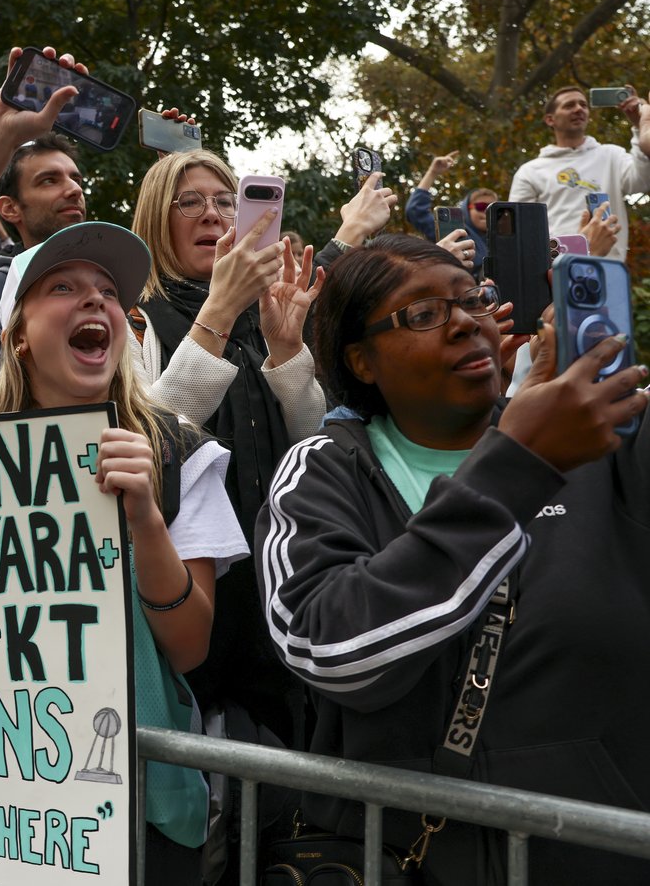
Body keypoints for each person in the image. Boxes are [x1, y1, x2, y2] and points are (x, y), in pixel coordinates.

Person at [0, 45, 249, 885]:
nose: (94, 299)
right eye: (62, 287)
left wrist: (145, 520)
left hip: (138, 810)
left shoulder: (177, 451)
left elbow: (190, 647)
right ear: (16, 328)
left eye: (107, 291)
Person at [258, 233, 650, 884]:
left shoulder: (613, 445)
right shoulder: (323, 473)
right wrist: (517, 468)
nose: (467, 320)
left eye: (473, 298)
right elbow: (332, 650)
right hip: (403, 859)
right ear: (360, 360)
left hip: (598, 854)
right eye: (423, 312)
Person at [127, 149, 325, 799]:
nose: (212, 214)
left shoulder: (260, 323)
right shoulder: (134, 320)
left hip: (271, 617)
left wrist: (289, 351)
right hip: (189, 613)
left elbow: (313, 452)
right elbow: (146, 445)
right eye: (191, 202)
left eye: (225, 200)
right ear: (158, 219)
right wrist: (214, 318)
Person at [0, 133, 86, 379]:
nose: (75, 189)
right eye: (49, 180)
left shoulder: (114, 280)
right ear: (10, 208)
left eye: (76, 179)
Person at [508, 85, 650, 260]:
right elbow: (520, 231)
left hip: (608, 269)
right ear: (550, 119)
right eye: (569, 105)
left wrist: (641, 125)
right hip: (554, 274)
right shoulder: (530, 171)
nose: (578, 109)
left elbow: (641, 182)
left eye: (583, 105)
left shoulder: (611, 155)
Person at [404, 150, 495, 266]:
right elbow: (415, 211)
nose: (487, 212)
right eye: (481, 206)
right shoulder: (455, 232)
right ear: (467, 210)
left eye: (492, 209)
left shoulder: (504, 241)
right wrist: (432, 173)